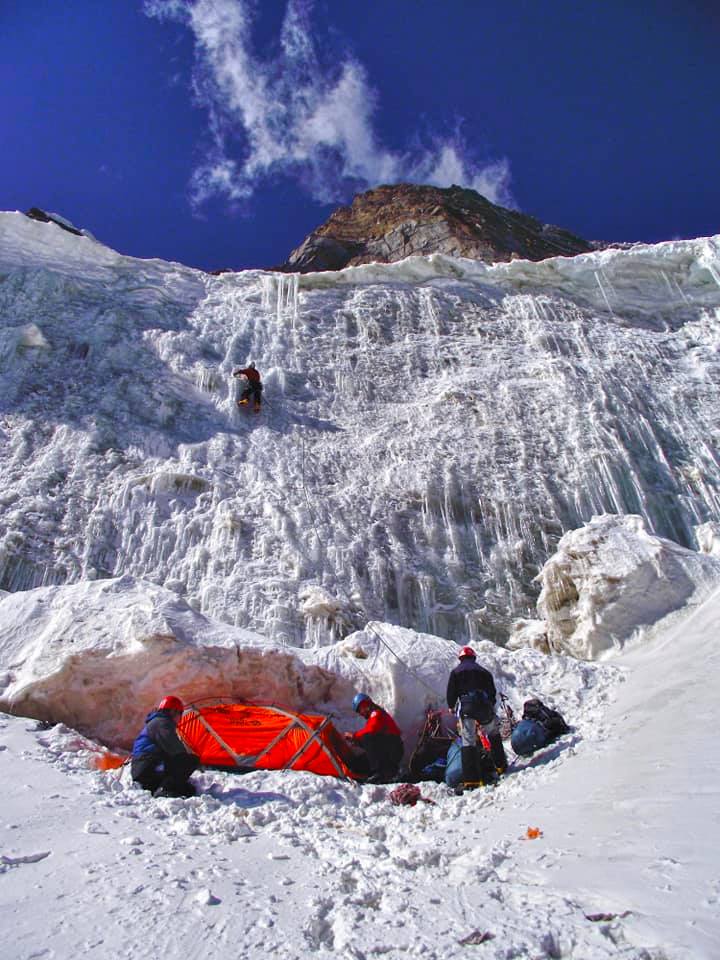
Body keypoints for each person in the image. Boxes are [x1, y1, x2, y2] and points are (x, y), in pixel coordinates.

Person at [446, 646, 508, 791]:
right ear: (473, 657)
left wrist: (451, 706)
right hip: (484, 707)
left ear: (460, 658)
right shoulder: (484, 672)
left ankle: (472, 781)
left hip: (467, 708)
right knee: (493, 734)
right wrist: (490, 706)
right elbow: (492, 692)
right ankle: (501, 766)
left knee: (468, 742)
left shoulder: (456, 672)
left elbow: (451, 692)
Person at [131, 695, 200, 798]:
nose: (180, 717)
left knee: (188, 790)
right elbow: (176, 748)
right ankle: (165, 789)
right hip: (146, 767)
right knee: (189, 760)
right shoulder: (162, 723)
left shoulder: (158, 722)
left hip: (143, 767)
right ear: (173, 712)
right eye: (180, 713)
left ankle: (165, 786)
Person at [345, 693, 403, 783]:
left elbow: (371, 730)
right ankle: (385, 771)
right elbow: (374, 744)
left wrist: (354, 736)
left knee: (367, 737)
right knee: (357, 764)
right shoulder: (373, 717)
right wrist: (358, 742)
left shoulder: (377, 713)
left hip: (394, 749)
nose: (361, 713)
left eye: (360, 709)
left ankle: (380, 773)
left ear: (366, 704)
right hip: (387, 751)